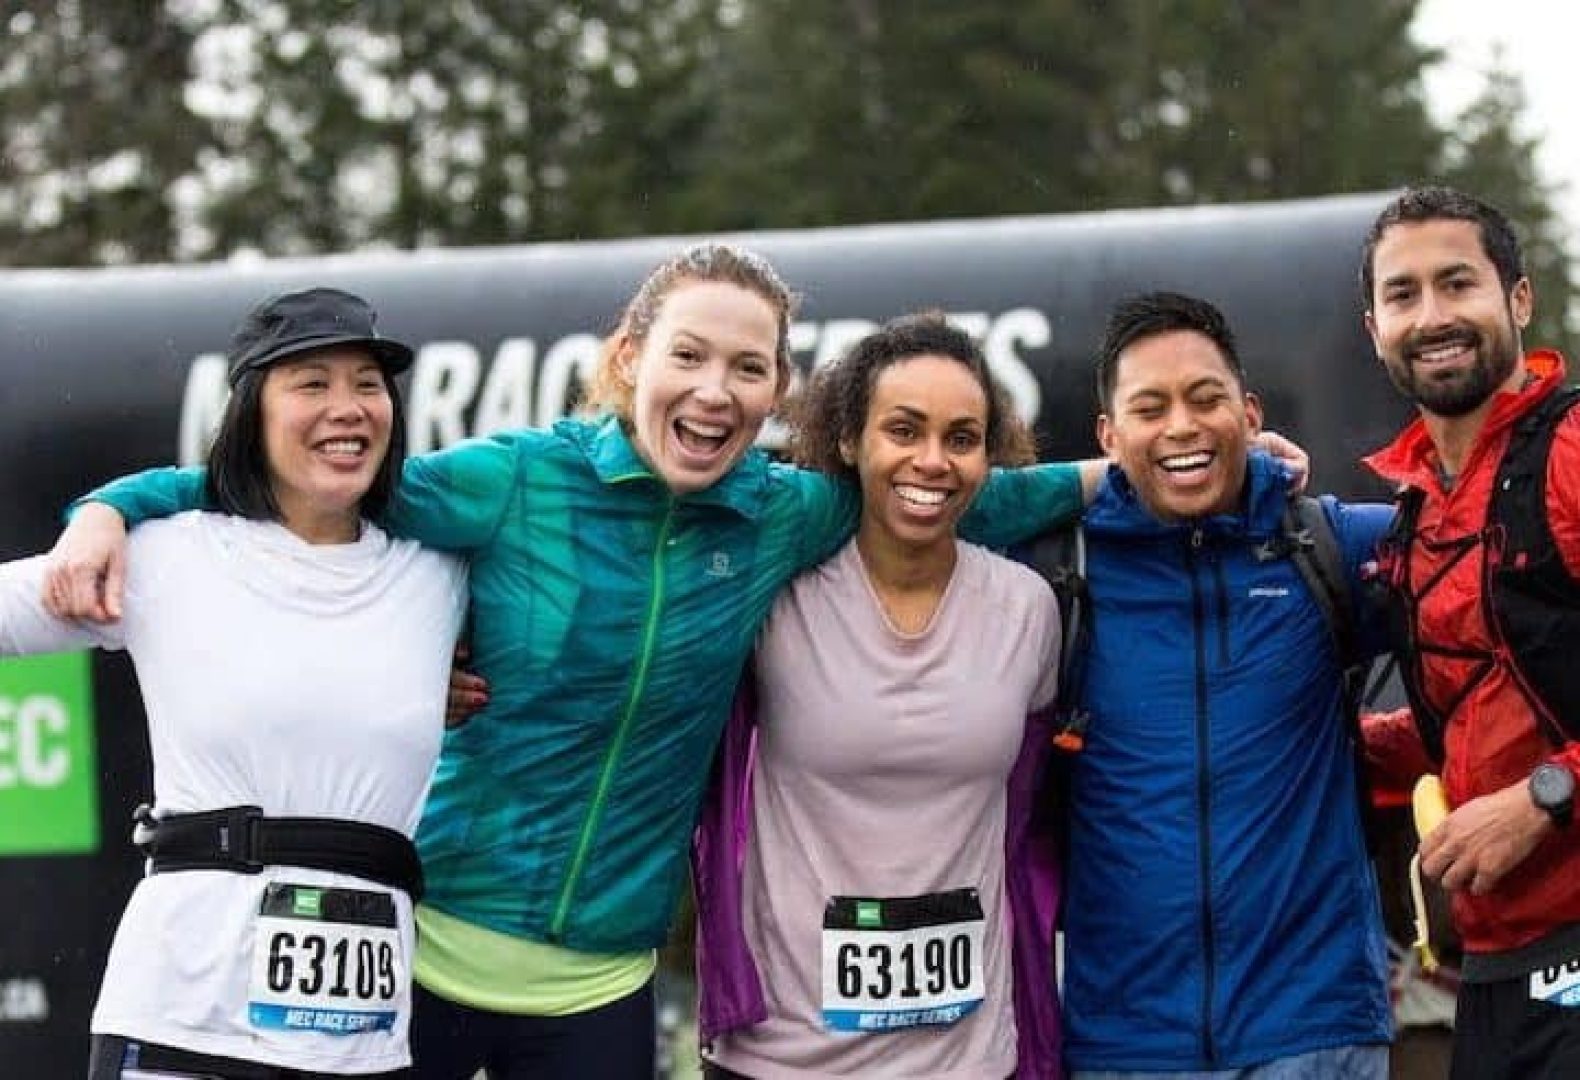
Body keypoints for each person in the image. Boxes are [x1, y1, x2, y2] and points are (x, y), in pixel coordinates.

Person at [43, 245, 1101, 1080]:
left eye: (746, 367)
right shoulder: (515, 481)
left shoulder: (782, 512)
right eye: (688, 355)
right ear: (631, 357)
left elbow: (952, 496)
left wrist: (1115, 474)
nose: (714, 390)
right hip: (432, 954)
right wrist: (111, 507)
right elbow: (311, 477)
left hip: (601, 984)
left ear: (777, 386)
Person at [0, 287, 469, 1078]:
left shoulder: (443, 572)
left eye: (366, 384)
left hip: (363, 1047)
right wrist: (106, 512)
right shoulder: (170, 556)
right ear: (253, 409)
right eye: (312, 384)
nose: (347, 407)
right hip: (183, 1022)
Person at [692, 314, 1065, 1078]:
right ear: (849, 440)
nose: (932, 460)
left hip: (968, 1059)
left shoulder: (1030, 609)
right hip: (783, 1057)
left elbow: (1036, 813)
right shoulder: (775, 595)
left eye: (962, 439)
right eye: (904, 430)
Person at [1055, 291, 1394, 1078]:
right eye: (1150, 407)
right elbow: (920, 507)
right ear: (1109, 436)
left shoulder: (1328, 544)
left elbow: (1498, 563)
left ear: (1248, 413)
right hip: (1124, 1041)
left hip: (1315, 1032)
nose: (1181, 426)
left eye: (1206, 400)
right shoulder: (1061, 572)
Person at [1358, 185, 1580, 1080]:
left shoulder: (1568, 453)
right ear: (1373, 326)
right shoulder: (1416, 509)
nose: (1433, 316)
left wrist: (1545, 798)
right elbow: (1480, 714)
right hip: (1497, 969)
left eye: (1458, 284)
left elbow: (1526, 769)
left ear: (1517, 300)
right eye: (1403, 295)